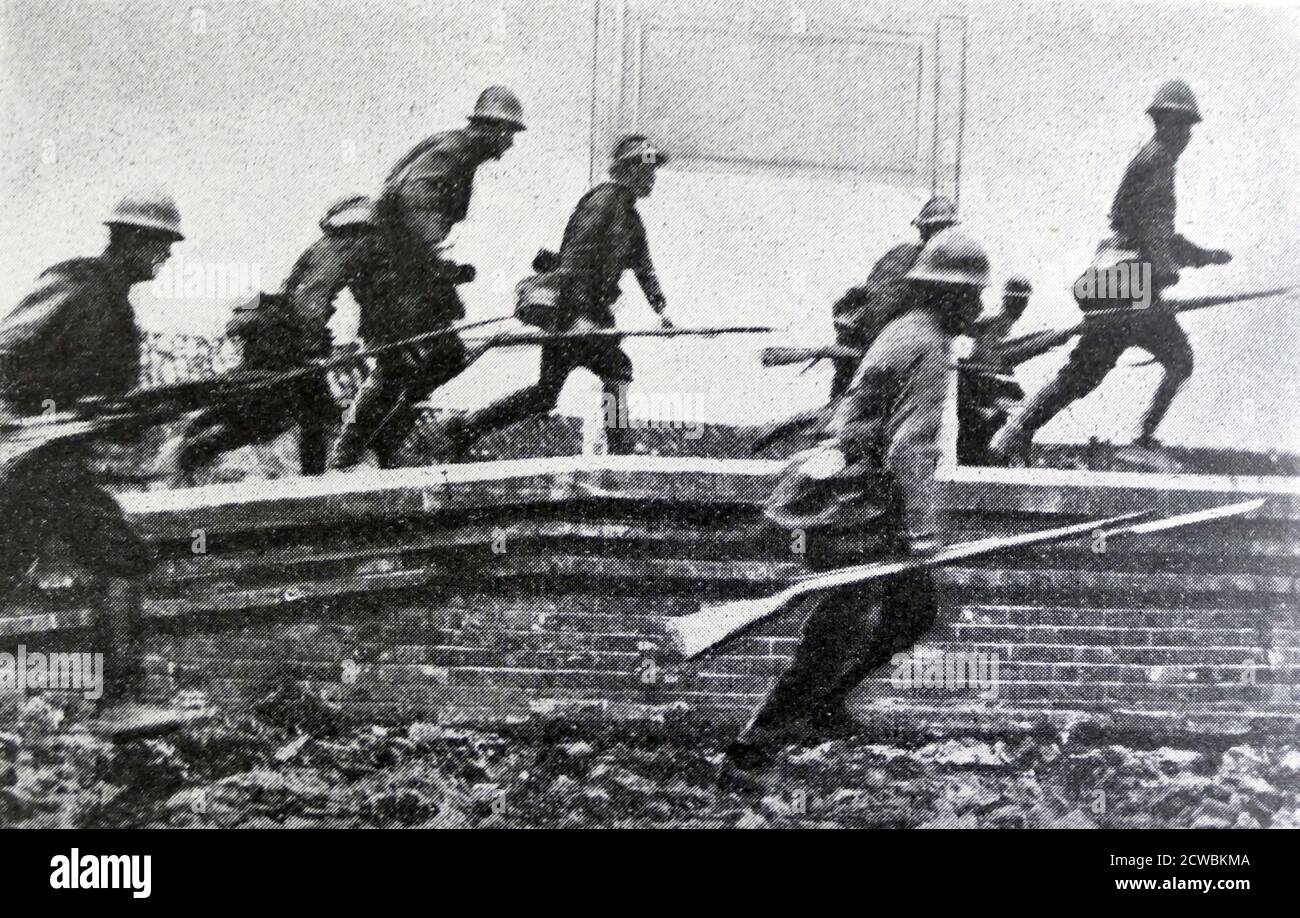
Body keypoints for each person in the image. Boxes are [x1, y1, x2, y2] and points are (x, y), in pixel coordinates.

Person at [721, 229, 989, 788]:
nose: (980, 307)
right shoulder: (928, 347)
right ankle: (750, 753)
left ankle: (825, 707)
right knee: (836, 631)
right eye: (972, 296)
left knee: (911, 611)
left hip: (859, 494)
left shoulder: (905, 329)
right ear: (946, 296)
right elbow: (910, 448)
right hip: (856, 504)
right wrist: (923, 533)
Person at [0, 189, 184, 706]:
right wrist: (31, 420)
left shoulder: (112, 302)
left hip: (46, 465)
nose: (166, 256)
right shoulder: (76, 284)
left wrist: (128, 414)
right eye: (161, 244)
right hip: (33, 462)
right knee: (124, 558)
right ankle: (120, 702)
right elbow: (6, 350)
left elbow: (104, 404)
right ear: (133, 240)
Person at [990, 81, 1231, 460]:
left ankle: (1014, 434)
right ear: (1164, 123)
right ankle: (1143, 435)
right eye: (1181, 126)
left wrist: (1204, 256)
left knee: (1084, 374)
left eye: (1188, 127)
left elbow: (1153, 232)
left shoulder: (1149, 158)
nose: (1186, 135)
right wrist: (1167, 270)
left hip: (1117, 279)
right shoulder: (1159, 163)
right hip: (1130, 286)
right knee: (1179, 360)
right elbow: (1153, 229)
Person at [442, 134, 673, 457]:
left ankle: (467, 427)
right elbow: (575, 258)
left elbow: (643, 266)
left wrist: (660, 308)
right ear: (628, 170)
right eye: (647, 170)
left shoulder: (632, 220)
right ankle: (622, 450)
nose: (652, 178)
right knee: (617, 369)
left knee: (546, 393)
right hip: (574, 311)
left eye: (653, 171)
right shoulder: (603, 201)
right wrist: (575, 316)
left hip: (589, 314)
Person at [332, 86, 524, 469]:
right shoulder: (454, 152)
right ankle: (357, 449)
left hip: (399, 270)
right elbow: (409, 198)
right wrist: (431, 258)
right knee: (420, 361)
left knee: (417, 362)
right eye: (508, 133)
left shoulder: (456, 150)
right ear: (491, 128)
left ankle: (373, 445)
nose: (510, 143)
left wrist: (441, 267)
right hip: (395, 275)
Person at [173, 195, 377, 480]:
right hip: (292, 342)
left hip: (285, 336)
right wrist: (310, 349)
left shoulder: (326, 247)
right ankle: (195, 452)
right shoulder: (342, 249)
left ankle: (311, 480)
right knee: (282, 416)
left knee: (301, 414)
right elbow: (310, 301)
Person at [750, 196, 959, 455]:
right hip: (880, 360)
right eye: (942, 229)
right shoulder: (923, 268)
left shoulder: (904, 257)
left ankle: (782, 438)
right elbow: (884, 312)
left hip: (870, 354)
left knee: (844, 422)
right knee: (851, 431)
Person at [958, 276, 1030, 464]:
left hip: (989, 388)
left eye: (1023, 301)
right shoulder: (991, 323)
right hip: (980, 389)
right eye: (1017, 300)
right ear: (1006, 299)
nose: (1020, 305)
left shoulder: (1006, 326)